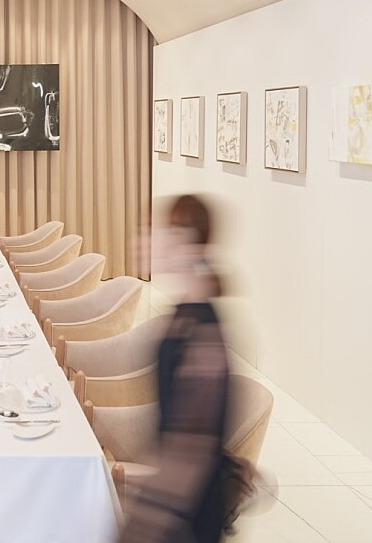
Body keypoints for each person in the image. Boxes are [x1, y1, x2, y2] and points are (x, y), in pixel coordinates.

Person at [119, 194, 229, 543]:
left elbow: (189, 452)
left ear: (185, 243)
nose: (142, 239)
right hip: (176, 511)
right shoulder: (187, 315)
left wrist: (138, 529)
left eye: (153, 231)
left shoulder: (201, 335)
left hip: (187, 522)